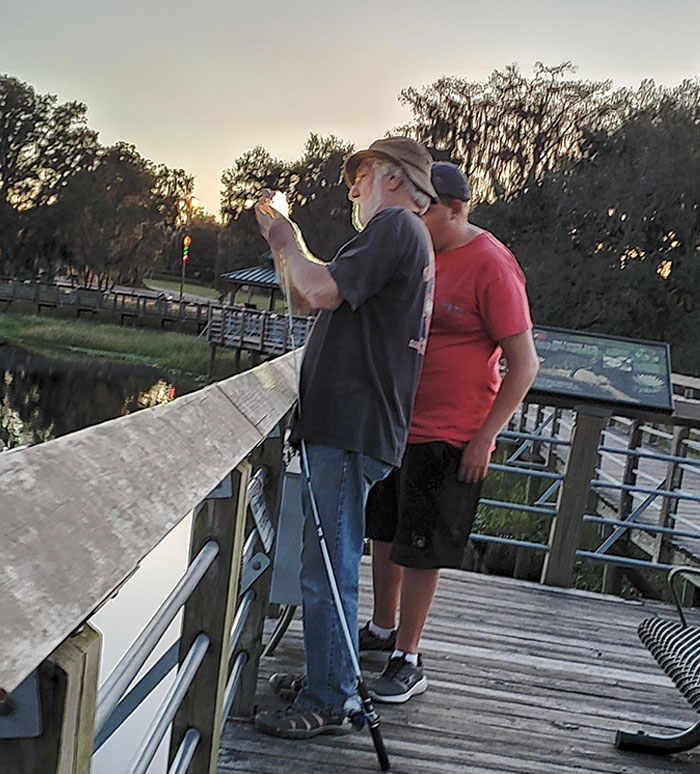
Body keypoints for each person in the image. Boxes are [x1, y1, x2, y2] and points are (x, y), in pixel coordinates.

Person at [252, 137, 436, 738]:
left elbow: (319, 290)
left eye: (361, 176)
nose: (353, 189)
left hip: (351, 428)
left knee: (327, 569)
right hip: (351, 427)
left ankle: (331, 701)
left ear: (392, 177)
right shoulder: (399, 236)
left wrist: (287, 238)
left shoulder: (396, 227)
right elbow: (306, 295)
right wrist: (285, 246)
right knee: (325, 562)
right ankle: (328, 678)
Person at [361, 162, 539, 703]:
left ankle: (408, 658)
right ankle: (382, 628)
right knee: (384, 532)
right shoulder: (415, 252)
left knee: (423, 545)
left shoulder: (491, 264)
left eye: (425, 211)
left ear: (456, 209)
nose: (414, 220)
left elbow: (524, 364)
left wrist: (483, 439)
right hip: (395, 424)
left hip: (451, 434)